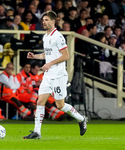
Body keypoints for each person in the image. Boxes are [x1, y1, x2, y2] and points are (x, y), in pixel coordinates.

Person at [23, 11, 87, 139]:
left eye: (46, 20)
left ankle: (81, 119)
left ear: (53, 21)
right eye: (43, 20)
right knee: (40, 101)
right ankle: (37, 132)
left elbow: (66, 55)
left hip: (58, 75)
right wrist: (35, 56)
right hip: (48, 75)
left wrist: (50, 64)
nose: (44, 22)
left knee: (60, 105)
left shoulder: (58, 37)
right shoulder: (46, 37)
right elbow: (47, 54)